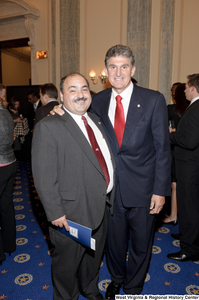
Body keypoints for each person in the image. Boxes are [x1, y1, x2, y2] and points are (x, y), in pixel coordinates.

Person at [50, 45, 171, 297]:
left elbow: (163, 150)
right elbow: (77, 116)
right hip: (109, 193)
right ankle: (116, 278)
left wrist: (160, 190)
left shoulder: (153, 99)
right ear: (105, 71)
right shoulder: (98, 100)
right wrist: (59, 110)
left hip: (144, 191)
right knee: (114, 244)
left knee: (140, 245)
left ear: (133, 69)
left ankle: (134, 286)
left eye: (124, 66)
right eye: (113, 67)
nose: (118, 72)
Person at [31, 73, 115, 300]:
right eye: (73, 89)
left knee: (93, 256)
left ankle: (89, 288)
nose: (80, 95)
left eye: (84, 89)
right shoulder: (48, 126)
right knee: (66, 266)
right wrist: (55, 211)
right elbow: (43, 175)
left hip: (102, 206)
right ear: (61, 96)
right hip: (71, 213)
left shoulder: (96, 120)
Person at [167, 74, 199, 262]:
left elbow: (189, 141)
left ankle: (189, 249)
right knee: (191, 208)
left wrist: (170, 135)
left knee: (189, 209)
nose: (184, 90)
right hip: (192, 167)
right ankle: (190, 238)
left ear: (193, 88)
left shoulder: (195, 109)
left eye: (186, 87)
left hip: (190, 168)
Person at [163, 83, 188, 225]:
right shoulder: (190, 109)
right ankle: (176, 214)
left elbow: (163, 128)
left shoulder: (171, 109)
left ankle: (173, 214)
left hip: (172, 149)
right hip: (185, 151)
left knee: (174, 184)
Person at [0, 95, 17, 265]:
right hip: (10, 162)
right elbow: (12, 138)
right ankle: (10, 245)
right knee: (6, 205)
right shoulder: (6, 113)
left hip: (0, 165)